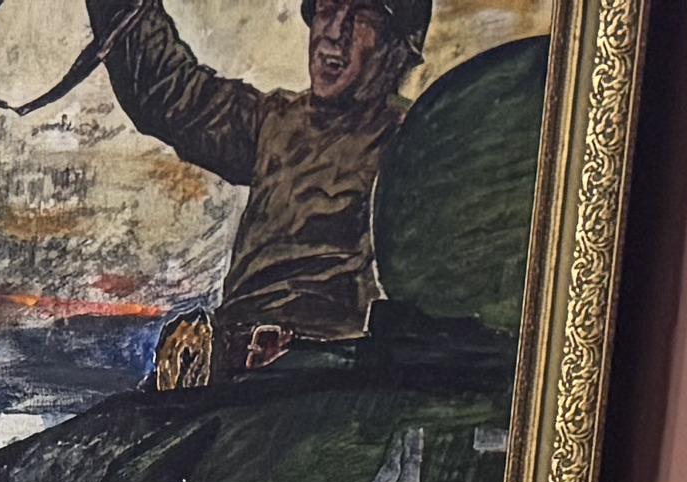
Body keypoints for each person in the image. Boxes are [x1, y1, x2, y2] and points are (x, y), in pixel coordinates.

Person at [93, 0, 437, 381]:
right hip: (229, 376)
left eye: (361, 17)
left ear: (397, 48)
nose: (333, 32)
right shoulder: (276, 122)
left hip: (326, 383)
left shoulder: (415, 146)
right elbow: (172, 96)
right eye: (326, 9)